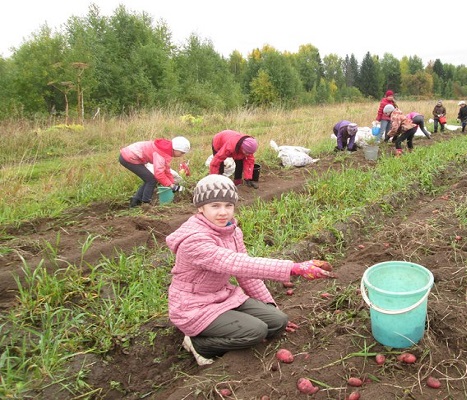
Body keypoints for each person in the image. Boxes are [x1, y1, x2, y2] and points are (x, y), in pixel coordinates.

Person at [166, 174, 334, 365]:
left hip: (223, 296)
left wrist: (270, 307)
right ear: (200, 208)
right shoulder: (195, 240)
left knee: (278, 321)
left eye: (228, 205)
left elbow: (246, 274)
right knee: (256, 331)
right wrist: (294, 268)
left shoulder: (233, 231)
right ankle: (199, 345)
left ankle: (240, 325)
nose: (223, 212)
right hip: (194, 306)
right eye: (215, 206)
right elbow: (237, 263)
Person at [119, 136, 190, 208]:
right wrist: (170, 185)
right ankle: (146, 204)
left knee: (148, 179)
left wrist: (171, 182)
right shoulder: (161, 153)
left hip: (131, 155)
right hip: (129, 157)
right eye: (182, 153)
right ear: (176, 149)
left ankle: (135, 202)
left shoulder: (166, 149)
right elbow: (159, 174)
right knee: (151, 180)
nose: (182, 155)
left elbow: (166, 169)